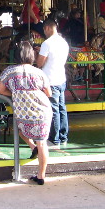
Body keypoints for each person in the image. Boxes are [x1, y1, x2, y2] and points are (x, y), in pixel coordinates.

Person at [0, 41, 52, 185]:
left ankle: (32, 147)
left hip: (23, 113)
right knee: (42, 143)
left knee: (20, 130)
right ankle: (41, 176)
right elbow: (48, 92)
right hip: (42, 111)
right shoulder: (39, 72)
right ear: (31, 55)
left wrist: (16, 92)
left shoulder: (9, 72)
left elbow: (0, 90)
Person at [36, 19, 70, 147]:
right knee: (62, 108)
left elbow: (40, 63)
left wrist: (38, 53)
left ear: (48, 28)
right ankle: (63, 136)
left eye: (44, 30)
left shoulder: (47, 43)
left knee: (54, 110)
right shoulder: (64, 42)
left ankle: (54, 139)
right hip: (61, 78)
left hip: (51, 80)